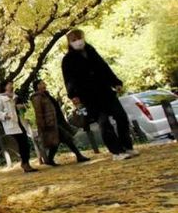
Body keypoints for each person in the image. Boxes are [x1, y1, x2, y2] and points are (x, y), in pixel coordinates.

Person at [61, 29, 139, 161]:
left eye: (79, 38)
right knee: (103, 122)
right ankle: (116, 151)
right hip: (89, 96)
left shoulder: (92, 52)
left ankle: (127, 146)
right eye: (74, 40)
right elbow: (68, 79)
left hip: (106, 91)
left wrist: (115, 82)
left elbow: (104, 68)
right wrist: (73, 95)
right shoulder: (68, 60)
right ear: (69, 43)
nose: (78, 42)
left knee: (121, 116)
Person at [31, 79, 91, 165]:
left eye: (44, 82)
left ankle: (50, 160)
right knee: (67, 138)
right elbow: (39, 113)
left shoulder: (46, 95)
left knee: (57, 142)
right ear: (37, 86)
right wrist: (42, 125)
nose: (44, 84)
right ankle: (79, 156)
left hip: (57, 121)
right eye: (42, 83)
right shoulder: (37, 97)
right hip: (51, 123)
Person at [0, 82, 38, 173]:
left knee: (25, 143)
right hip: (10, 124)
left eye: (12, 84)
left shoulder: (15, 97)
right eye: (9, 84)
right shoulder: (0, 98)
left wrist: (22, 106)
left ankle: (25, 163)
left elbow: (19, 107)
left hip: (19, 122)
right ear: (4, 87)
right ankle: (25, 164)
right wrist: (5, 116)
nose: (11, 86)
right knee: (22, 144)